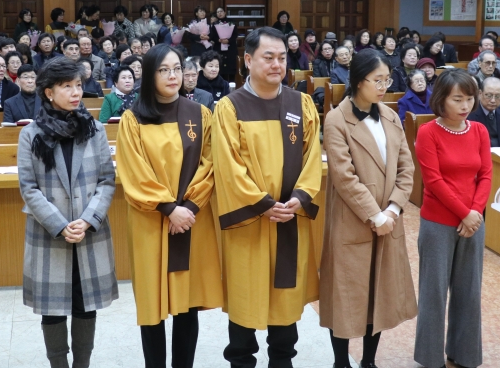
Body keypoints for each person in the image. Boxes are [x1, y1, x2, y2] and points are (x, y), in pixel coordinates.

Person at [212, 27, 321, 368]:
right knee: (246, 295)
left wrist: (300, 197)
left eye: (282, 58)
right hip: (250, 221)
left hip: (289, 216)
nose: (277, 64)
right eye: (268, 57)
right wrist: (263, 205)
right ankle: (241, 360)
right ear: (248, 60)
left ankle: (282, 361)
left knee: (285, 299)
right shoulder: (229, 107)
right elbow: (227, 165)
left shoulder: (300, 103)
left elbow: (312, 157)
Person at [117, 44, 223, 368]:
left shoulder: (200, 114)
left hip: (192, 219)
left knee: (187, 304)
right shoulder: (133, 119)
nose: (173, 75)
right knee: (152, 304)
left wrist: (188, 206)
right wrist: (168, 208)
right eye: (164, 70)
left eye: (177, 68)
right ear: (150, 74)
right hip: (151, 222)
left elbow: (210, 163)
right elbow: (134, 172)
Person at [16, 57, 117, 368]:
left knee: (86, 305)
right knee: (53, 309)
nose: (76, 92)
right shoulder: (31, 134)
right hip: (50, 234)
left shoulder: (95, 129)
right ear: (49, 92)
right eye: (67, 86)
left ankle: (82, 364)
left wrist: (87, 220)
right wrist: (60, 225)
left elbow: (106, 180)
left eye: (78, 85)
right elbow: (29, 188)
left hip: (89, 232)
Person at [321, 49, 417, 368]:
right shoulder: (336, 119)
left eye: (387, 80)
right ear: (358, 81)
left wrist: (392, 210)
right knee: (347, 294)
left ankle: (369, 361)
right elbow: (343, 176)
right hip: (354, 220)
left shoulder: (390, 115)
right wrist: (374, 214)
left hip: (388, 219)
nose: (384, 87)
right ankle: (341, 362)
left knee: (379, 292)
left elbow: (406, 167)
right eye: (378, 80)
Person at [414, 69, 491, 368]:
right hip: (438, 223)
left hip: (473, 222)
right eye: (457, 99)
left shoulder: (479, 130)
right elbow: (433, 181)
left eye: (469, 99)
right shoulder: (428, 132)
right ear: (441, 100)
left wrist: (475, 213)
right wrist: (465, 213)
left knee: (469, 292)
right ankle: (430, 357)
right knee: (434, 293)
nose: (465, 105)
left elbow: (485, 175)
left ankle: (465, 354)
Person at [468, 77, 500, 148]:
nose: (493, 100)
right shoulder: (470, 113)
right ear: (480, 94)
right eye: (489, 95)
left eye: (498, 96)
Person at [210, 6, 239, 82]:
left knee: (231, 67)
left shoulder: (231, 22)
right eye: (218, 12)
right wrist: (218, 40)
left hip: (230, 48)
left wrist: (228, 40)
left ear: (225, 12)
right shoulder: (215, 24)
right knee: (220, 67)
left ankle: (231, 84)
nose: (219, 13)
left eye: (221, 11)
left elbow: (235, 34)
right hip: (219, 48)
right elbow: (212, 36)